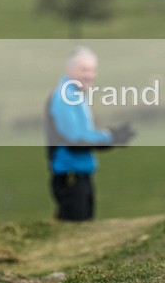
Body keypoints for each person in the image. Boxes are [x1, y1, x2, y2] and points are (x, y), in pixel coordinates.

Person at [45, 47, 135, 221]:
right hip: (70, 177)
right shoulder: (65, 97)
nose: (89, 75)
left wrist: (110, 136)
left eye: (93, 69)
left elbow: (84, 135)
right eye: (83, 69)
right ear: (69, 70)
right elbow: (77, 140)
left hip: (79, 175)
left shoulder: (75, 95)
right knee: (75, 233)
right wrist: (110, 136)